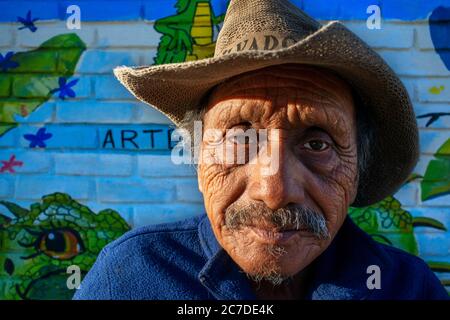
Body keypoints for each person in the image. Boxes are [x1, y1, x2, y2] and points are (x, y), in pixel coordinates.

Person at [73, 0, 449, 300]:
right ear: (199, 158)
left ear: (357, 170)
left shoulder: (407, 288)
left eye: (317, 144)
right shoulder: (130, 276)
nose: (274, 192)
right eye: (238, 138)